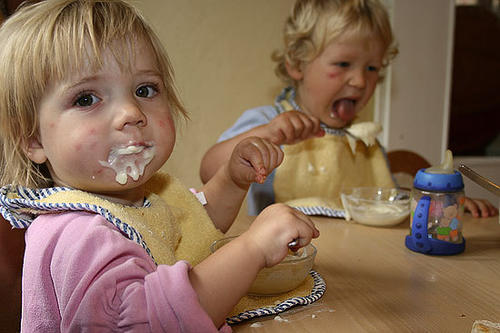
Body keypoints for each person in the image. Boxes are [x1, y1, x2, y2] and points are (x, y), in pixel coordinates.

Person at [0, 1, 319, 331]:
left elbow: (190, 228)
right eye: (86, 99)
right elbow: (148, 322)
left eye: (144, 89)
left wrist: (232, 181)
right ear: (33, 139)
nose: (131, 112)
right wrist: (252, 249)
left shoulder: (140, 197)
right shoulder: (78, 234)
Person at [200, 0, 498, 218]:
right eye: (343, 64)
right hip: (286, 264)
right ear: (297, 64)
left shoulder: (364, 145)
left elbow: (386, 203)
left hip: (360, 271)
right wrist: (268, 134)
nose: (359, 81)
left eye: (372, 68)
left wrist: (438, 208)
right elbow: (209, 169)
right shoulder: (268, 122)